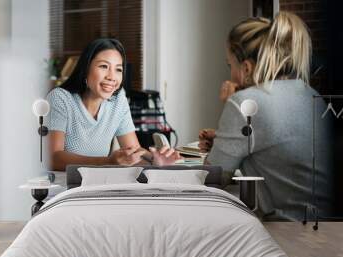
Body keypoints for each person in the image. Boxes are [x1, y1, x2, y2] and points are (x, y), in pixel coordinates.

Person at [199, 12, 333, 220]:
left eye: (230, 65)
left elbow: (212, 178)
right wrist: (223, 139)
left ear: (246, 68)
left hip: (287, 233)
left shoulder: (246, 102)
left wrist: (229, 106)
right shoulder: (311, 94)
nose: (230, 74)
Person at [47, 38, 180, 171]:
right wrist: (108, 162)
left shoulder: (118, 99)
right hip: (62, 187)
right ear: (86, 68)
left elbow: (133, 151)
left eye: (118, 69)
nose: (112, 77)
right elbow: (53, 158)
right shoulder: (60, 98)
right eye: (104, 66)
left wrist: (154, 159)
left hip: (98, 184)